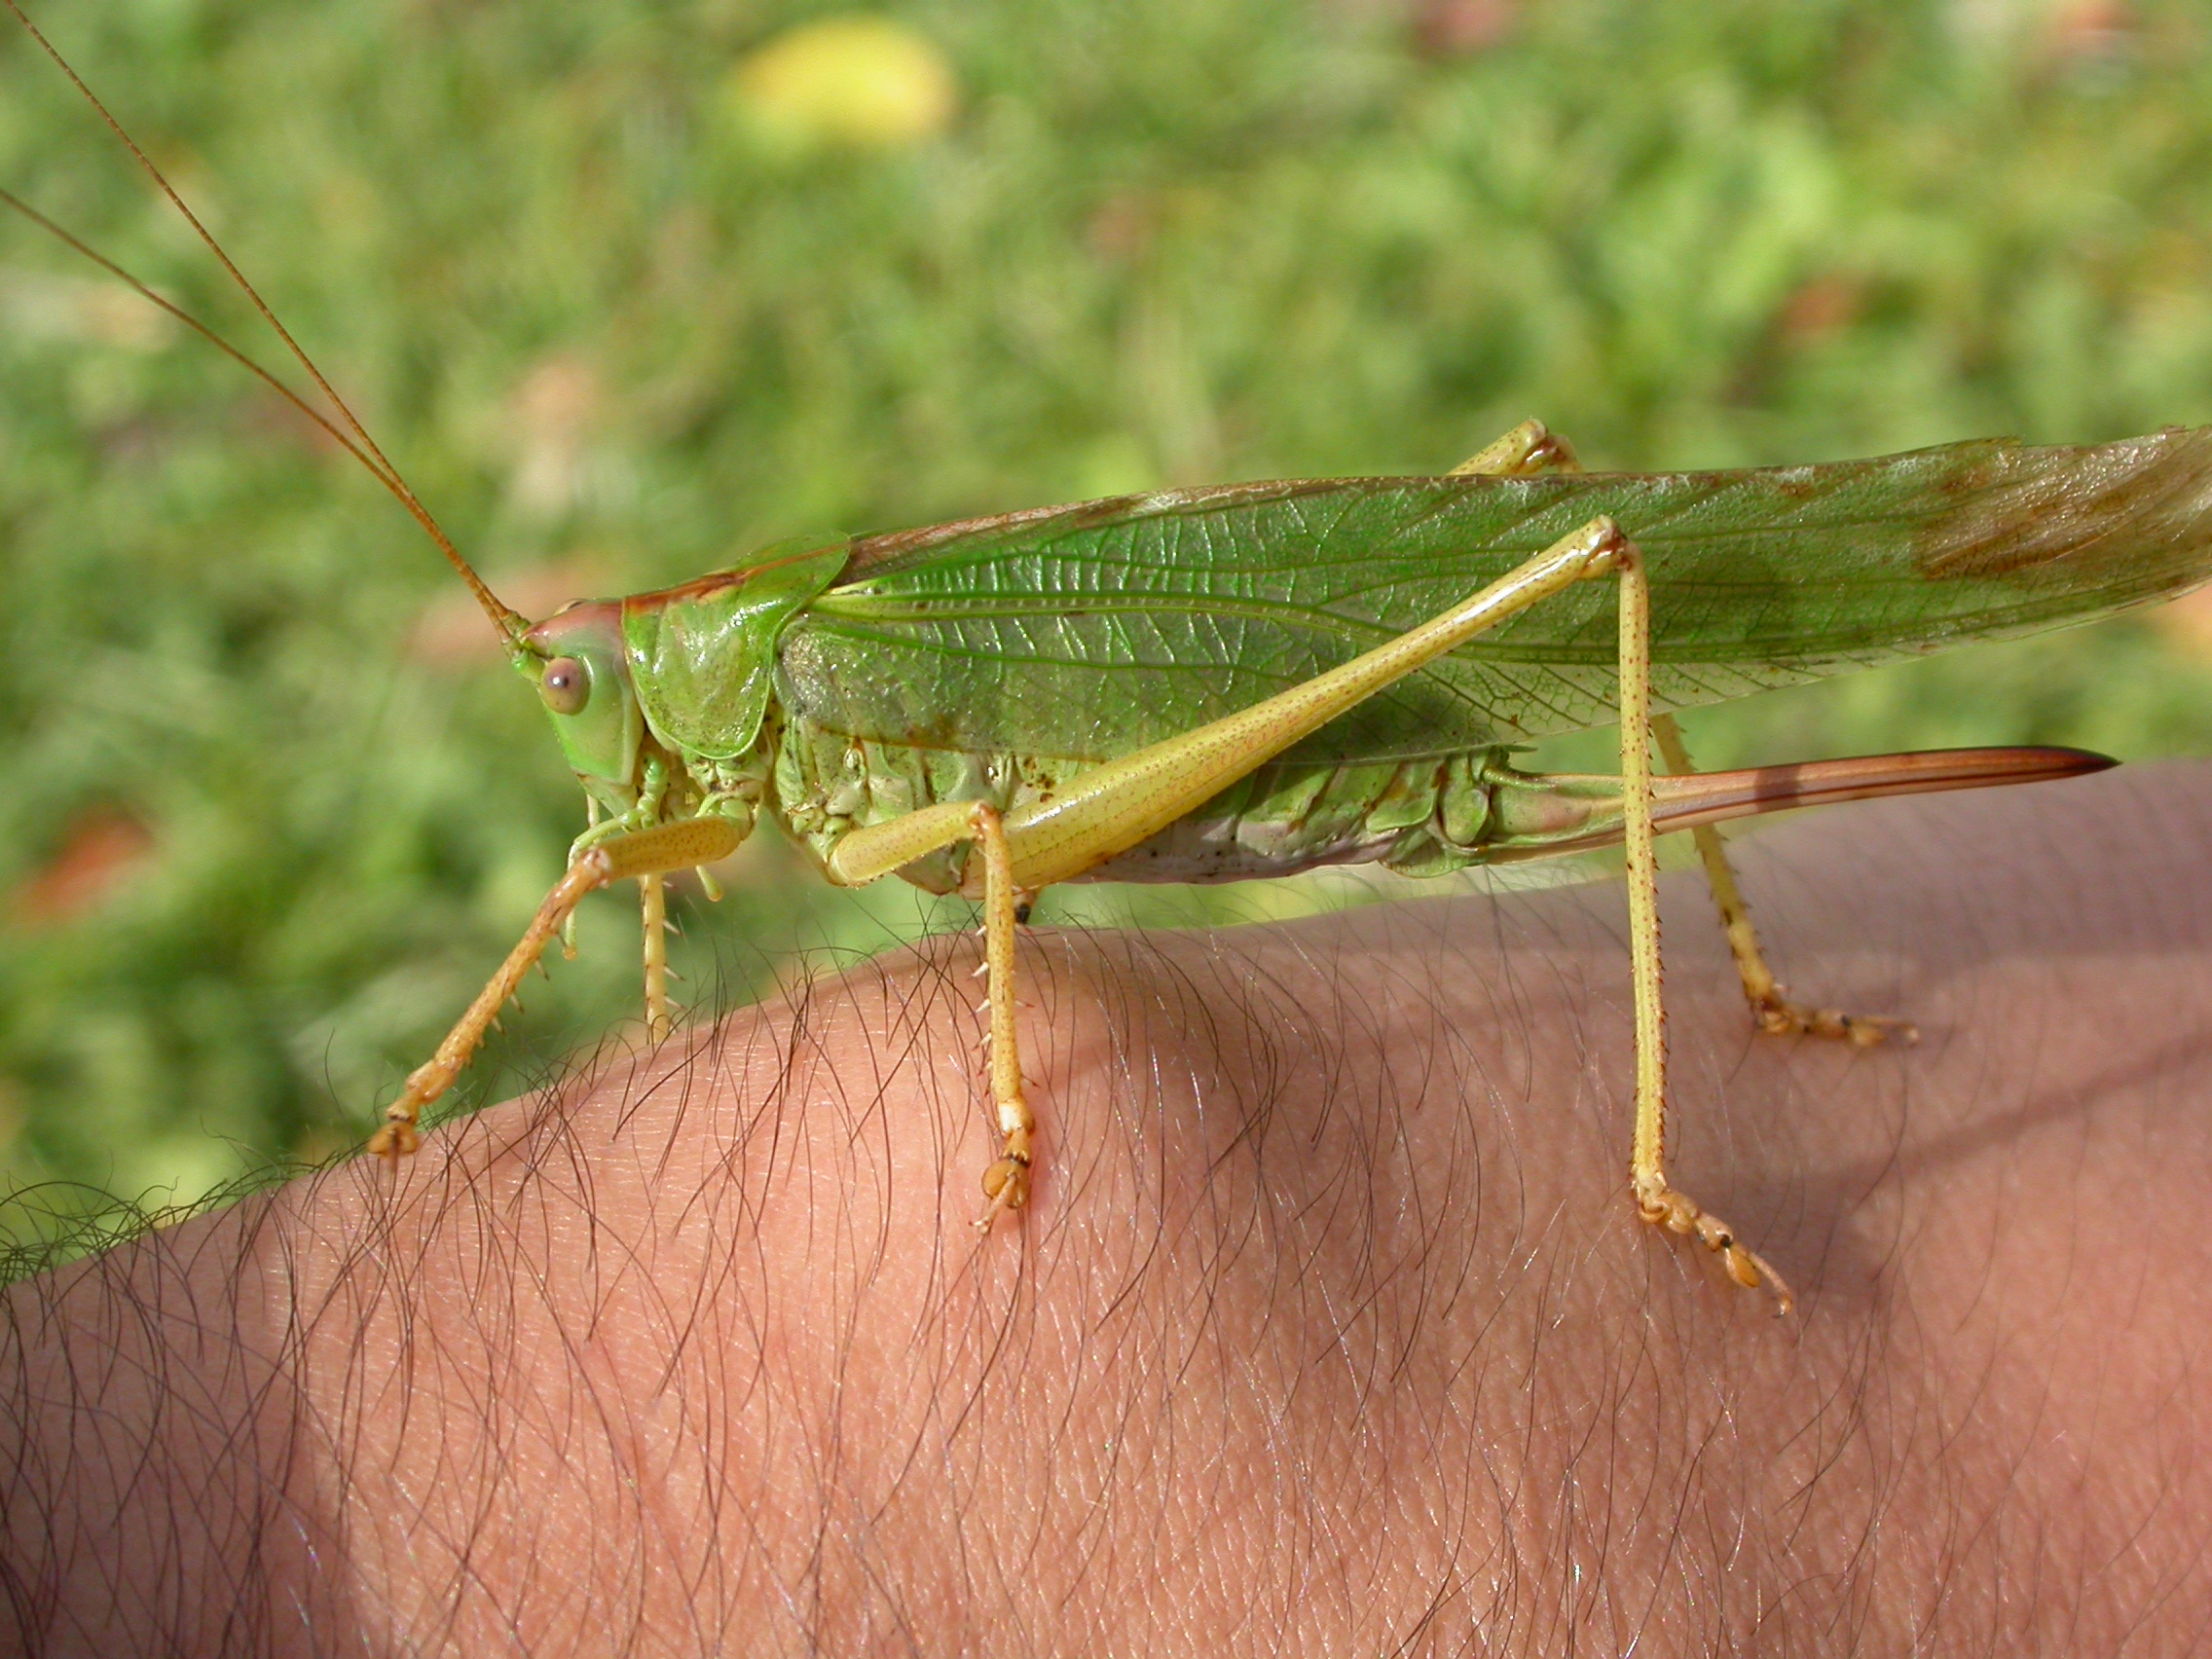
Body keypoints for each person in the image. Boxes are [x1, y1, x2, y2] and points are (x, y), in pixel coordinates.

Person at [8, 761, 2211, 1655]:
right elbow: (648, 880)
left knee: (1578, 598)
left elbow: (978, 839)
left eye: (581, 682)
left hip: (1209, 731)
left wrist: (986, 1123)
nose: (581, 747)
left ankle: (1657, 1155)